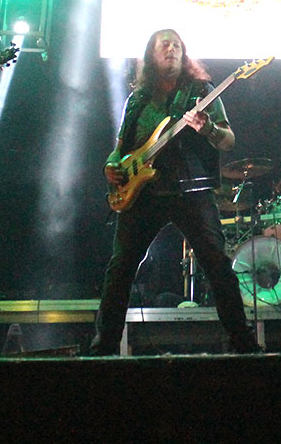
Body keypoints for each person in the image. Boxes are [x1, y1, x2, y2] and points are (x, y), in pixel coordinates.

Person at [89, 28, 259, 355]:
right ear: (150, 55)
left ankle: (244, 344)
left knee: (218, 266)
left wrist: (207, 127)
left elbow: (229, 140)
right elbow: (120, 148)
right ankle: (102, 350)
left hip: (191, 191)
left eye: (177, 45)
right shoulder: (137, 99)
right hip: (144, 194)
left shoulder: (202, 92)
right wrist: (112, 166)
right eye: (164, 44)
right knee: (120, 268)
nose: (171, 49)